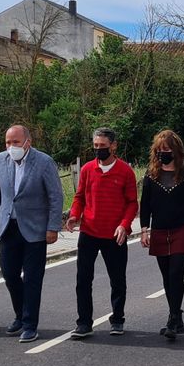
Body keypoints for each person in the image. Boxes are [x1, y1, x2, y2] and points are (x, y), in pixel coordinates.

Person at [0, 124, 64, 343]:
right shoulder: (0, 160)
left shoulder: (43, 162)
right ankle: (20, 314)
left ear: (27, 142)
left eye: (16, 142)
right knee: (10, 274)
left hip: (35, 230)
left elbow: (55, 197)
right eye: (7, 142)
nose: (11, 147)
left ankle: (30, 324)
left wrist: (52, 227)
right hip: (8, 227)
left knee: (32, 278)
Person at [65, 126, 138, 339]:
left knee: (117, 280)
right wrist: (73, 215)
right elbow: (79, 197)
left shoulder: (125, 171)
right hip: (89, 231)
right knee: (83, 279)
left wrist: (124, 225)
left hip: (115, 234)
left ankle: (117, 319)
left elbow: (132, 203)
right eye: (95, 146)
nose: (98, 150)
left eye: (102, 146)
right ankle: (84, 323)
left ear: (113, 146)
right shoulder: (88, 169)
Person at [138, 129, 184, 340]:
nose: (162, 153)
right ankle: (177, 314)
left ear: (175, 150)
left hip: (183, 228)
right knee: (166, 276)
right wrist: (144, 229)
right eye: (159, 150)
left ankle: (173, 319)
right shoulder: (151, 174)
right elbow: (145, 204)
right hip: (159, 229)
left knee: (176, 272)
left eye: (166, 149)